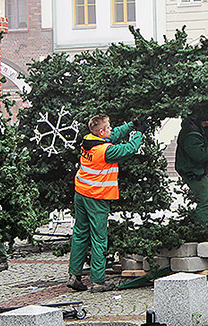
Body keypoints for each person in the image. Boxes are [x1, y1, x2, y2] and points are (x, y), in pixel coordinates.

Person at [67, 114, 147, 293]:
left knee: (80, 233)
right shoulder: (106, 151)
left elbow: (114, 134)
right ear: (101, 131)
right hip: (97, 196)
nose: (111, 129)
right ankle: (98, 281)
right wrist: (139, 133)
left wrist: (131, 124)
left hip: (81, 192)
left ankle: (74, 276)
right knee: (99, 238)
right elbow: (129, 149)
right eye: (108, 127)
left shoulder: (88, 139)